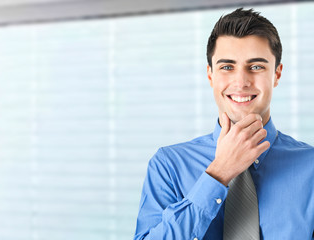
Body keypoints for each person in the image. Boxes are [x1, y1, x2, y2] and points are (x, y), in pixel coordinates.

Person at [133, 8, 314, 239]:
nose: (241, 82)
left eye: (256, 66)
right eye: (227, 67)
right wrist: (218, 175)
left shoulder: (311, 167)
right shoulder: (169, 166)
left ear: (277, 74)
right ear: (210, 75)